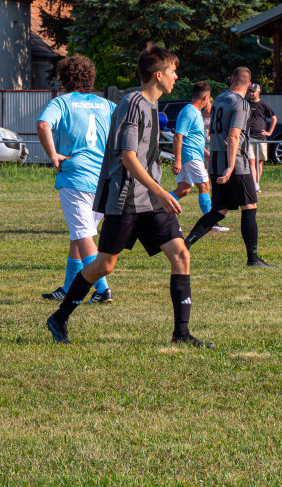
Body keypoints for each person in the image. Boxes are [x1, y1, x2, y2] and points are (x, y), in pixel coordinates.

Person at [46, 44, 213, 348]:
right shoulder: (132, 104)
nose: (177, 76)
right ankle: (60, 317)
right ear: (158, 75)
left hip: (149, 200)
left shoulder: (152, 106)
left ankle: (181, 333)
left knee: (181, 255)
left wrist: (158, 192)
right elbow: (128, 157)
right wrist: (161, 191)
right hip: (126, 199)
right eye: (173, 71)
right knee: (104, 265)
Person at [36, 55, 115, 304]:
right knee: (78, 234)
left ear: (63, 79)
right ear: (90, 78)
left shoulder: (62, 102)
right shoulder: (107, 105)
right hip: (103, 180)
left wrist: (53, 155)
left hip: (76, 177)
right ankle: (69, 287)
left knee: (83, 235)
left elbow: (42, 125)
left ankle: (102, 289)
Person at [183, 67, 275, 268]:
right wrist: (231, 166)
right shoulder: (241, 103)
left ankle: (186, 243)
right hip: (234, 162)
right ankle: (253, 258)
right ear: (249, 85)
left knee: (219, 210)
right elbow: (233, 135)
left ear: (231, 80)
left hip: (215, 159)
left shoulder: (220, 99)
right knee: (249, 207)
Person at [169, 81, 228, 232]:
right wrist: (178, 160)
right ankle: (211, 223)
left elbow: (195, 138)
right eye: (209, 99)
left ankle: (158, 208)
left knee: (183, 189)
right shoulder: (189, 112)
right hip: (190, 156)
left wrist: (206, 154)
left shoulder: (195, 112)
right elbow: (178, 136)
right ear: (205, 97)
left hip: (194, 155)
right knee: (205, 186)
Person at [246, 83, 277, 192]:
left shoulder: (263, 105)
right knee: (251, 162)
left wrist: (269, 132)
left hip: (261, 138)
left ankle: (257, 183)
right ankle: (253, 184)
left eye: (253, 91)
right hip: (249, 137)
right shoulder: (246, 104)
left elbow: (274, 118)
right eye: (250, 91)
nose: (251, 93)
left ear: (258, 92)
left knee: (259, 162)